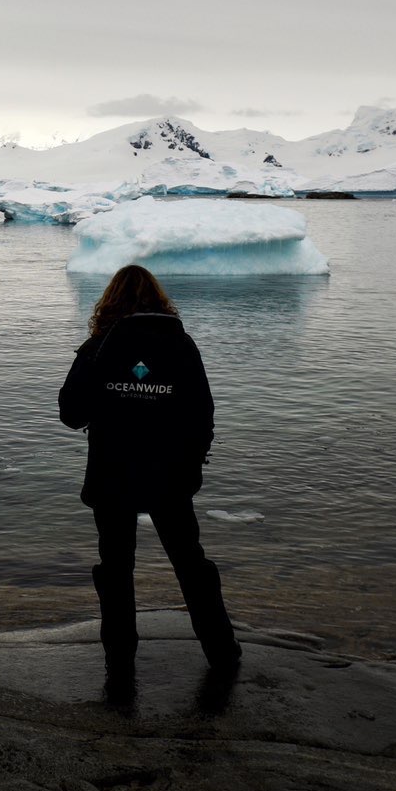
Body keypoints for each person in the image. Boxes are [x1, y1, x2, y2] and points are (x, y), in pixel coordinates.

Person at [58, 265, 241, 676]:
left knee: (116, 568)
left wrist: (110, 395)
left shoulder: (98, 346)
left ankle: (119, 660)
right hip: (170, 476)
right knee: (191, 565)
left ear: (110, 300)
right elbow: (203, 414)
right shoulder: (182, 346)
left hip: (112, 475)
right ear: (159, 300)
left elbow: (71, 414)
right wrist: (193, 463)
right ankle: (222, 652)